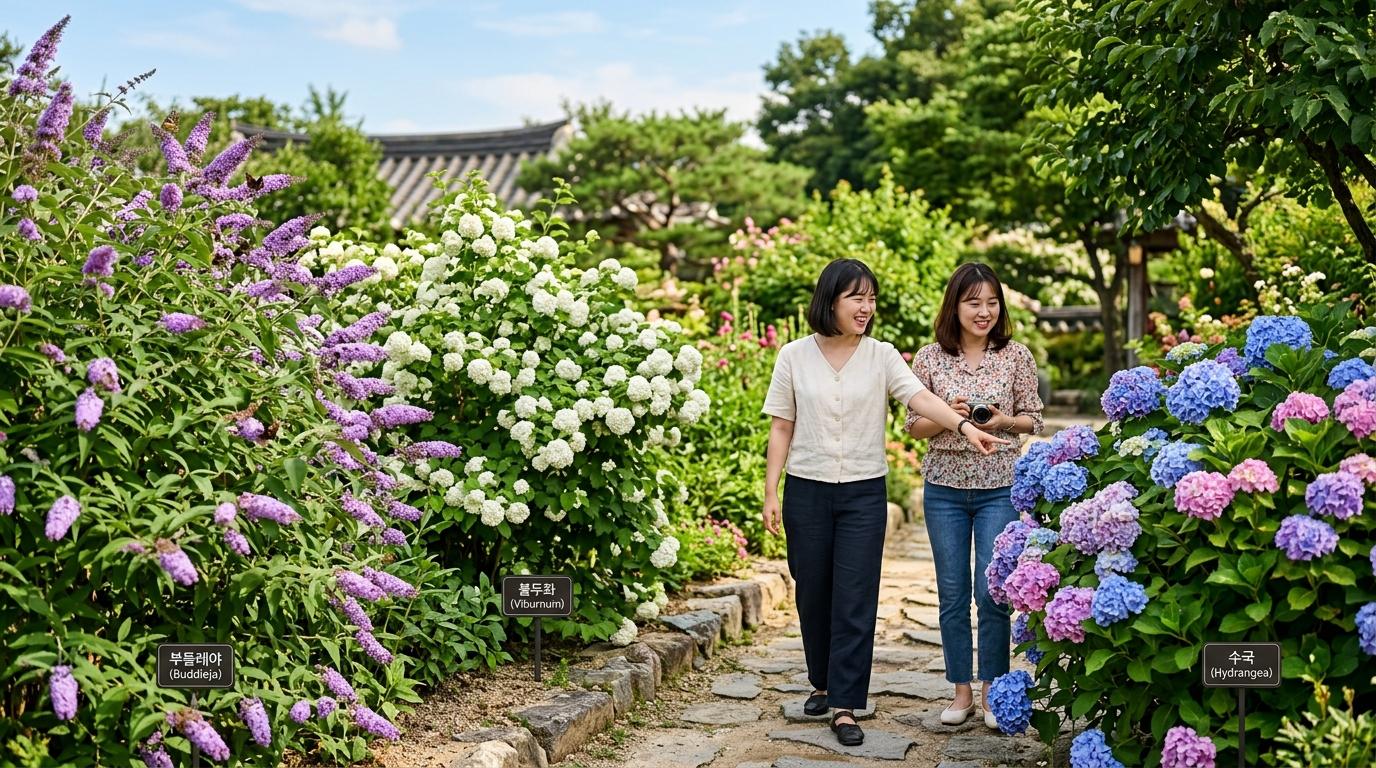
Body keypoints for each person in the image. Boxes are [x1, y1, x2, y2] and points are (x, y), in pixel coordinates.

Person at [762, 258, 1007, 747]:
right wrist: (771, 490)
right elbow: (782, 425)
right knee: (812, 590)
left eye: (871, 298)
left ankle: (846, 705)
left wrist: (963, 427)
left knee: (855, 596)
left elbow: (920, 400)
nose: (866, 308)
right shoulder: (793, 355)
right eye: (857, 297)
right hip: (806, 489)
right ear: (830, 300)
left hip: (863, 492)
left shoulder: (881, 355)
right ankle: (824, 681)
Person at [904, 262, 1044, 728]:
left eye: (991, 302)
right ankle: (961, 691)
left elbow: (1034, 419)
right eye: (972, 302)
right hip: (943, 489)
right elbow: (915, 427)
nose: (983, 312)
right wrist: (950, 415)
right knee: (951, 592)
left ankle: (992, 691)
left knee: (993, 592)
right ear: (955, 306)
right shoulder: (929, 357)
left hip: (999, 489)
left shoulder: (1016, 355)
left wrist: (1003, 421)